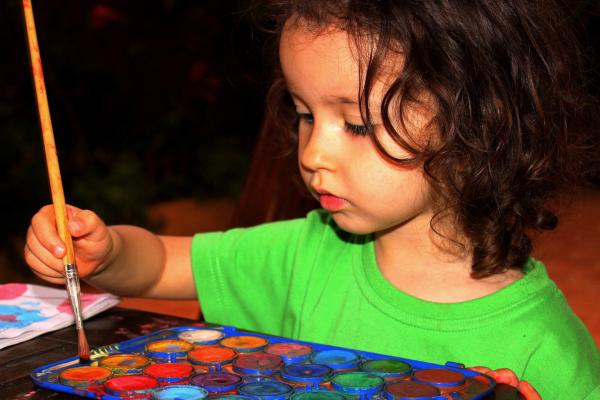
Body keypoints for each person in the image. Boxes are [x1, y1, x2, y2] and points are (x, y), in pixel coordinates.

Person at [24, 0, 600, 398]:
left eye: (353, 124)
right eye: (303, 115)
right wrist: (103, 253)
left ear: (478, 122)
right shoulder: (306, 256)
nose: (312, 154)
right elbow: (164, 264)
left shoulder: (544, 348)